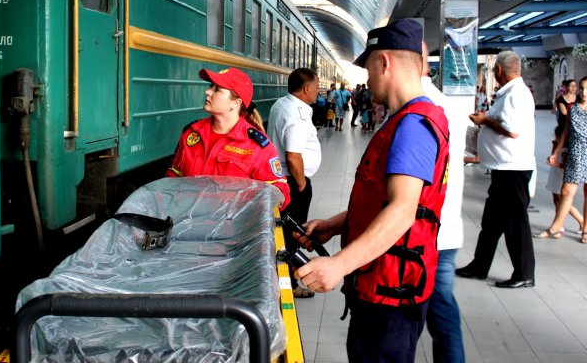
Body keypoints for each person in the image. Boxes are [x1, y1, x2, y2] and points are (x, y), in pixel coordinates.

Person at [293, 19, 450, 362]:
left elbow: (402, 211)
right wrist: (335, 224)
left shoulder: (413, 127)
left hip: (390, 297)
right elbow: (387, 201)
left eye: (368, 67)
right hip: (381, 285)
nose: (367, 78)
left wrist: (337, 266)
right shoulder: (411, 118)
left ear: (384, 62)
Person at [456, 51, 536, 289]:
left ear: (499, 70)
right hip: (503, 168)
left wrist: (485, 121)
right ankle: (479, 266)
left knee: (516, 224)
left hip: (513, 169)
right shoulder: (511, 92)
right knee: (491, 223)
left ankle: (524, 273)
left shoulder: (517, 94)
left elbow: (512, 131)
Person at [167, 67, 290, 209]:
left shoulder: (257, 146)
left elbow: (279, 189)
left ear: (235, 103)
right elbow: (174, 175)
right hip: (187, 224)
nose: (208, 92)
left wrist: (255, 208)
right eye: (210, 86)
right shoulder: (192, 133)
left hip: (232, 228)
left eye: (217, 89)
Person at [421, 42, 466, 363]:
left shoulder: (422, 110)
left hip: (428, 235)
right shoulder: (443, 103)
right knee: (442, 310)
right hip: (444, 230)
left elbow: (410, 192)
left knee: (438, 310)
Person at [268, 68, 322, 298]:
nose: (318, 91)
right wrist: (301, 185)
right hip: (293, 182)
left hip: (280, 177)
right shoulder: (297, 114)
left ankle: (281, 280)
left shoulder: (281, 104)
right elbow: (293, 156)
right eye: (317, 87)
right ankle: (288, 284)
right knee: (293, 236)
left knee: (282, 233)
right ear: (307, 89)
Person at [540, 76, 587, 242]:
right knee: (566, 192)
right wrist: (556, 152)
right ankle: (555, 227)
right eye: (582, 88)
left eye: (586, 88)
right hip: (575, 152)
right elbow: (565, 132)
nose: (584, 91)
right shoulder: (574, 109)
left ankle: (585, 229)